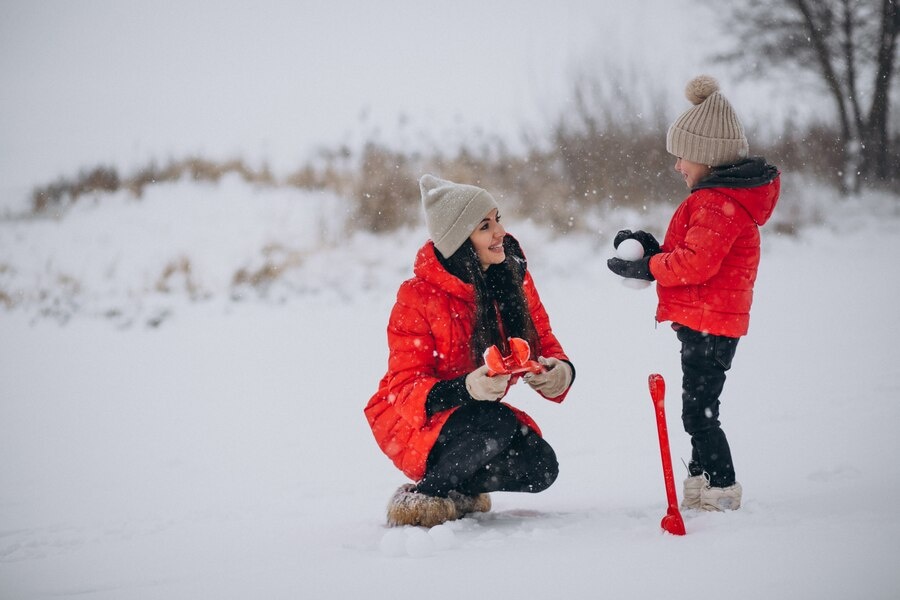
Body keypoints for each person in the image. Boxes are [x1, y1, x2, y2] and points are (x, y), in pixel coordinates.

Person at [607, 75, 780, 511]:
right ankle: (701, 481)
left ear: (705, 156)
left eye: (682, 156)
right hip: (708, 322)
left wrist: (648, 266)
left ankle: (721, 488)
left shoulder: (716, 203)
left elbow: (695, 264)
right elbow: (690, 256)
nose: (678, 165)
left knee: (699, 413)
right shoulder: (719, 200)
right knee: (700, 409)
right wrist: (653, 249)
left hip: (710, 324)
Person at [365, 174, 575, 527]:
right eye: (484, 226)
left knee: (541, 467)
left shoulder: (511, 276)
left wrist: (562, 371)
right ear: (461, 241)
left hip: (476, 421)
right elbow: (403, 389)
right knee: (498, 421)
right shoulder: (416, 297)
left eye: (498, 219)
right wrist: (467, 388)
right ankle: (424, 498)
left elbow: (543, 340)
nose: (500, 233)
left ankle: (456, 490)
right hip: (412, 422)